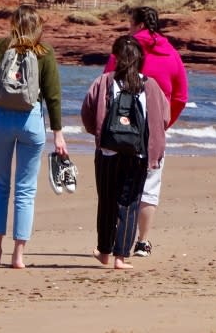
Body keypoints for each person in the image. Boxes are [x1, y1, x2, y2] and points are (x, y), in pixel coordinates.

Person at [0, 5, 68, 269]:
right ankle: (18, 256)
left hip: (0, 118)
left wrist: (0, 102)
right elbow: (53, 94)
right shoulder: (44, 52)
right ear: (37, 26)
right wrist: (58, 132)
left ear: (13, 23)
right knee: (25, 190)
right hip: (31, 120)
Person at [103, 6, 188, 257]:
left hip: (122, 124)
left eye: (130, 24)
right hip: (153, 127)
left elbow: (107, 81)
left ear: (138, 25)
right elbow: (181, 97)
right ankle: (142, 241)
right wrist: (164, 123)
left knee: (119, 182)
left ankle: (117, 239)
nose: (129, 28)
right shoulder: (172, 54)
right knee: (149, 184)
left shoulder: (124, 49)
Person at [82, 35, 170, 269]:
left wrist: (100, 135)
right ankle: (120, 257)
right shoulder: (150, 85)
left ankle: (104, 251)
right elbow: (164, 117)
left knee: (107, 201)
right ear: (141, 59)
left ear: (116, 58)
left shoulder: (103, 82)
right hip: (137, 154)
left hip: (108, 151)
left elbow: (87, 113)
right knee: (129, 204)